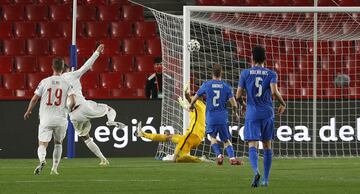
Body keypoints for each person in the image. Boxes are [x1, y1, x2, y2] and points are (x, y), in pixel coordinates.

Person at [62, 44, 125, 166]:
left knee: (86, 138)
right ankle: (110, 121)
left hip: (73, 115)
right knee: (108, 109)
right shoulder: (72, 75)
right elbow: (86, 66)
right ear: (67, 70)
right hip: (83, 107)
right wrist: (97, 52)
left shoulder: (56, 84)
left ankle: (103, 159)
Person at [236, 45, 286, 187]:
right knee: (267, 145)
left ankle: (256, 171)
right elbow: (274, 92)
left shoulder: (245, 73)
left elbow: (238, 95)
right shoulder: (271, 74)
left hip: (252, 113)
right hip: (267, 112)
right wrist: (283, 103)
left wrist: (244, 105)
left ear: (252, 58)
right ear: (265, 58)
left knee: (252, 144)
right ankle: (266, 179)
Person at [24, 58, 76, 175]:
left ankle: (42, 160)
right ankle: (54, 169)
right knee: (58, 143)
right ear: (63, 68)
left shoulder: (44, 82)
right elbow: (73, 101)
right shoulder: (67, 83)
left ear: (52, 67)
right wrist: (68, 110)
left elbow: (34, 99)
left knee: (42, 144)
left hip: (46, 119)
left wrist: (28, 111)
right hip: (61, 118)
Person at [136, 83, 210, 163]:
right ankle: (142, 134)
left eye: (195, 95)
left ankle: (200, 159)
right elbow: (188, 107)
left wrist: (186, 94)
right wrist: (182, 103)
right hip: (196, 137)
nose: (193, 97)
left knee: (176, 159)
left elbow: (189, 100)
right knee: (168, 137)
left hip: (192, 134)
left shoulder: (197, 103)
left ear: (199, 97)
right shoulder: (202, 106)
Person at [189, 64, 243, 165]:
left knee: (213, 138)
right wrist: (235, 113)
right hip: (222, 118)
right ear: (221, 73)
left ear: (212, 73)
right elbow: (234, 104)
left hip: (211, 117)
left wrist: (191, 105)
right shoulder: (226, 86)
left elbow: (195, 97)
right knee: (226, 139)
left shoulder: (206, 84)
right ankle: (232, 158)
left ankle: (219, 155)